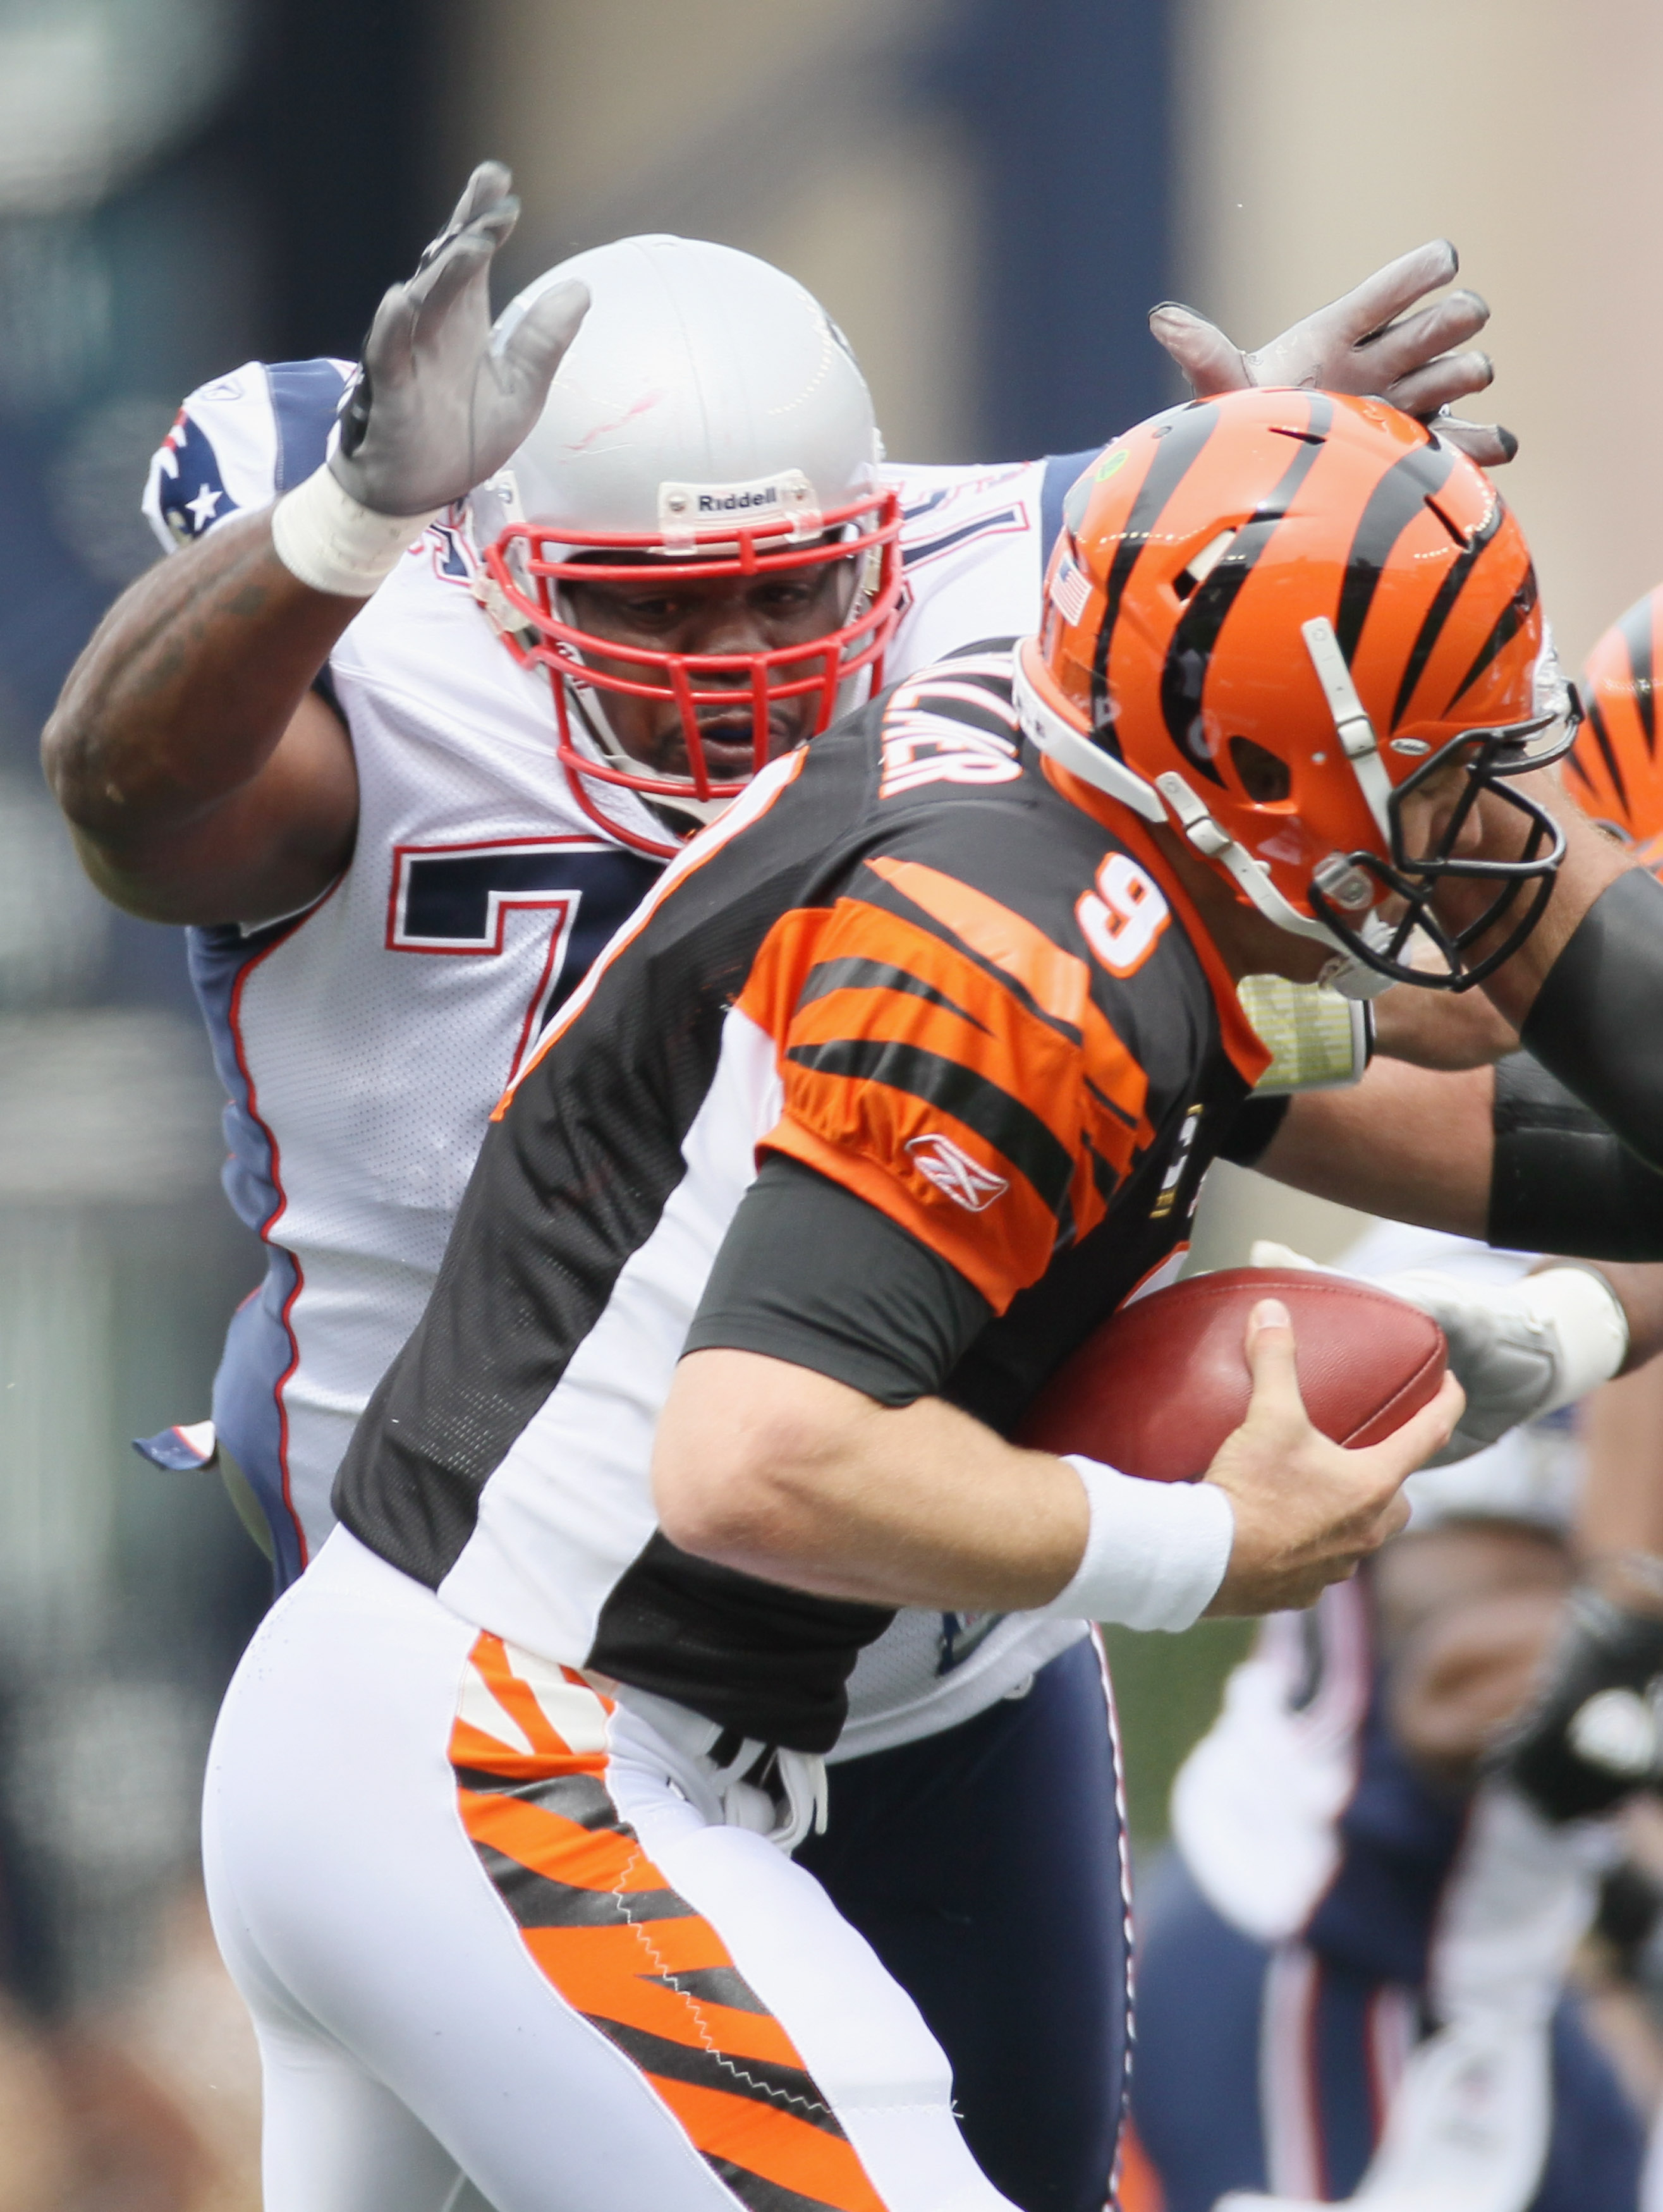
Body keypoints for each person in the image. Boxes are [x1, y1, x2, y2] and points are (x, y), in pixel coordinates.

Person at [42, 167, 1514, 2212]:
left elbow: (1310, 995)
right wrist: (340, 528)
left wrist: (1259, 498)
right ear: (500, 563)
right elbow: (125, 789)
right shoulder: (381, 666)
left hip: (927, 1637)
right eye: (654, 609)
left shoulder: (1008, 581)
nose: (735, 656)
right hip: (491, 1628)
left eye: (792, 593)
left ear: (879, 557)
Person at [1128, 1222, 1647, 2212]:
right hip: (1326, 1947)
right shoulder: (1471, 1291)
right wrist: (1631, 1621)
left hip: (1503, 1968)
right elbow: (1456, 1688)